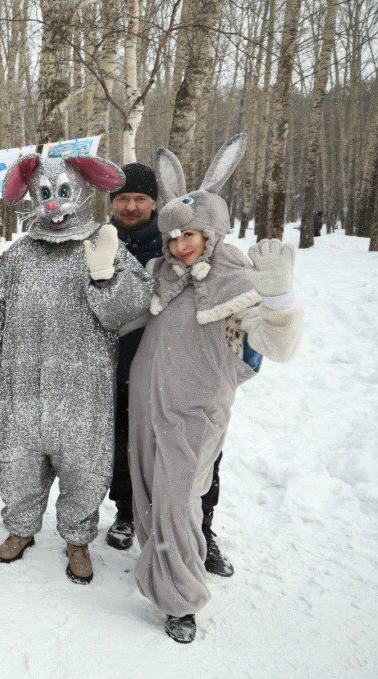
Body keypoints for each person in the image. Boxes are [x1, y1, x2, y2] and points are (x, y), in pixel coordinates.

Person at [129, 135, 304, 643]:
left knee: (179, 498)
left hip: (198, 407)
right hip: (145, 400)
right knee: (146, 492)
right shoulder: (159, 273)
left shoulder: (237, 278)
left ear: (213, 229)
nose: (182, 245)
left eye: (192, 235)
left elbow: (278, 344)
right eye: (174, 237)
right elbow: (122, 321)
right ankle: (157, 564)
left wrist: (281, 299)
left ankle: (181, 598)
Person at [0, 153, 152, 584]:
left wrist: (106, 277)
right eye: (46, 194)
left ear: (83, 191)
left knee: (84, 467)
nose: (54, 204)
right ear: (35, 196)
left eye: (64, 192)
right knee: (18, 462)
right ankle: (20, 528)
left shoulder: (104, 245)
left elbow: (129, 312)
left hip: (83, 387)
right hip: (22, 382)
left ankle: (77, 538)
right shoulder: (18, 256)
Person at [104, 163, 234, 577]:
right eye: (122, 198)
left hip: (186, 376)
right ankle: (128, 512)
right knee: (126, 448)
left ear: (154, 203)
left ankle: (201, 528)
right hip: (120, 369)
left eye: (139, 198)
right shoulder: (99, 241)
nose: (130, 205)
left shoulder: (173, 244)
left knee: (196, 461)